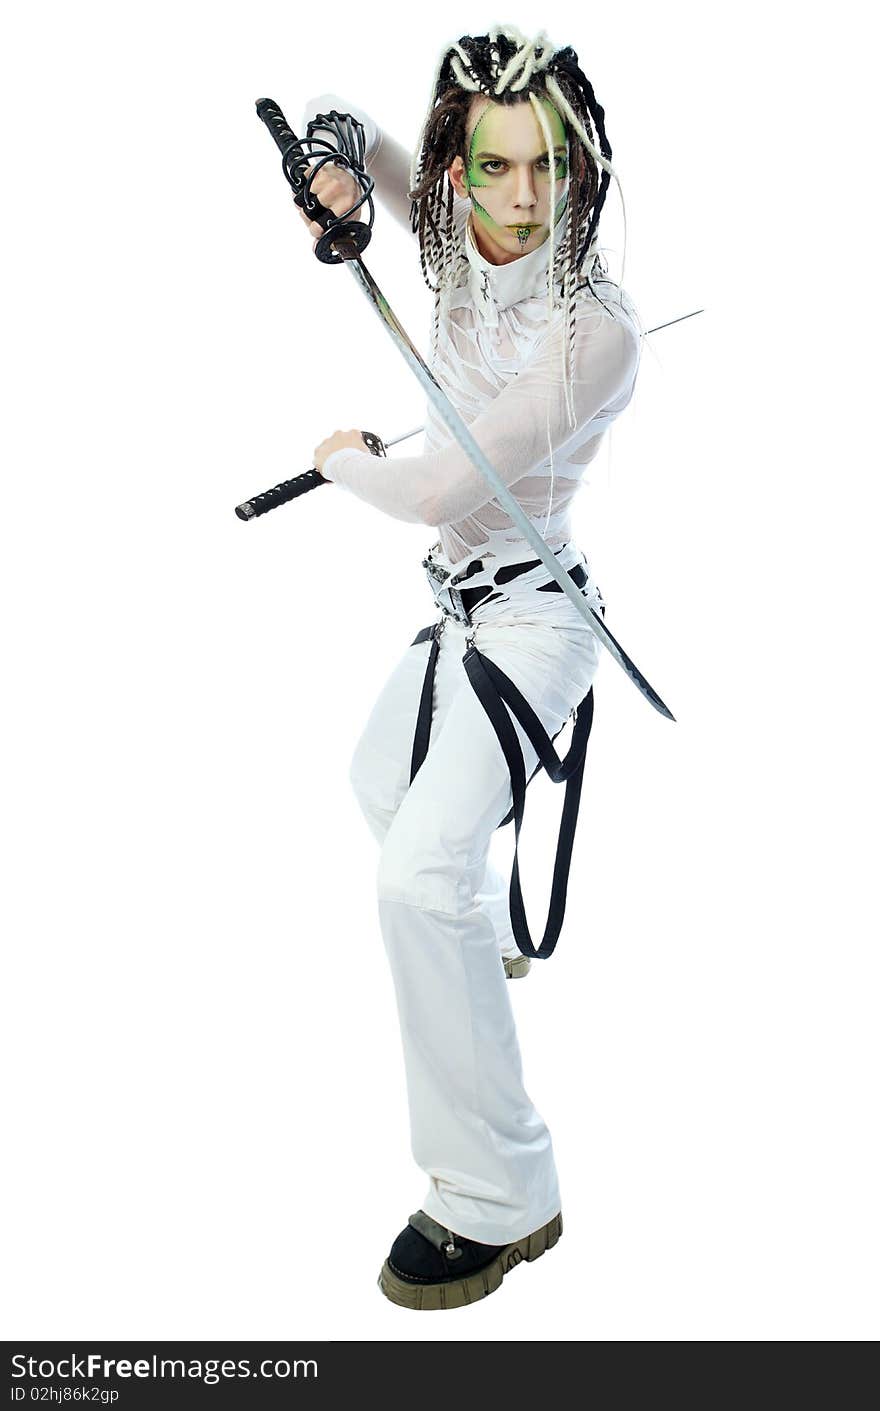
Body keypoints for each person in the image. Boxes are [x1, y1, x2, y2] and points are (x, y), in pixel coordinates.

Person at [296, 24, 643, 1311]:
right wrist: (334, 172)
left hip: (539, 622)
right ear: (457, 165)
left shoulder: (593, 334)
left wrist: (340, 460)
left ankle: (502, 1195)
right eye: (490, 167)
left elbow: (443, 483)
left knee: (413, 879)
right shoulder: (443, 239)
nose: (516, 199)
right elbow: (333, 108)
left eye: (546, 169)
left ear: (581, 167)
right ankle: (483, 936)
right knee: (376, 782)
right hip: (458, 609)